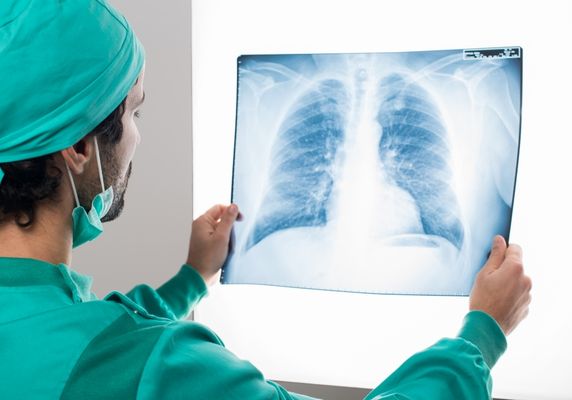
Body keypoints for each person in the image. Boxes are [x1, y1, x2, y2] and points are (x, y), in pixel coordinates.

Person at [0, 1, 532, 399]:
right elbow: (120, 359)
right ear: (78, 147)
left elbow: (83, 344)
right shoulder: (161, 363)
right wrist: (482, 334)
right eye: (135, 112)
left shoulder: (65, 337)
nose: (138, 135)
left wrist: (193, 277)